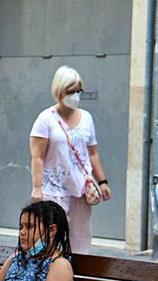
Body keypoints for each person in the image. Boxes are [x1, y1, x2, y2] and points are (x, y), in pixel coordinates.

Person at [29, 66, 111, 254]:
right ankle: (49, 276)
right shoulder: (45, 119)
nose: (75, 95)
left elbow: (92, 153)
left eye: (78, 91)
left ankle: (76, 278)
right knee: (52, 239)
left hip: (80, 190)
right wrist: (37, 187)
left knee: (80, 241)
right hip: (53, 190)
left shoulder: (87, 118)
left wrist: (103, 181)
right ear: (59, 91)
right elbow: (37, 156)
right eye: (70, 91)